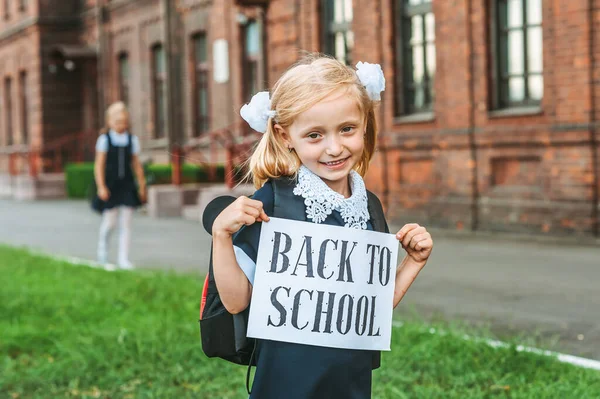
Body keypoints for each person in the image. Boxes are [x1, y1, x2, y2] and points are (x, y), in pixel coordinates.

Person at [211, 54, 433, 398]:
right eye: (315, 135)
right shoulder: (273, 202)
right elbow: (238, 301)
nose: (334, 147)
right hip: (284, 383)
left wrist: (413, 263)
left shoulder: (368, 206)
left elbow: (369, 305)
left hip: (350, 381)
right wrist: (221, 237)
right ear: (285, 136)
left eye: (347, 129)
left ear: (364, 123)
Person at [93, 101, 146, 269]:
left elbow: (136, 164)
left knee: (127, 223)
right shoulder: (104, 140)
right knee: (110, 222)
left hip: (127, 185)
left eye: (123, 122)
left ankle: (124, 258)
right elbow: (99, 165)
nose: (120, 125)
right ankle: (102, 252)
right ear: (110, 122)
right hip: (111, 185)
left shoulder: (132, 140)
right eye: (117, 122)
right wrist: (101, 186)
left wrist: (142, 184)